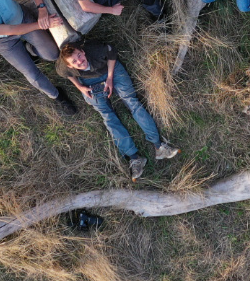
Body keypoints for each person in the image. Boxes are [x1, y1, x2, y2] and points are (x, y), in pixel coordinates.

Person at [57, 40, 179, 180]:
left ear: (83, 51)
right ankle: (134, 158)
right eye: (74, 61)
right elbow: (66, 74)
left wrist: (109, 78)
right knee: (107, 115)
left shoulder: (95, 50)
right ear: (69, 65)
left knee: (132, 102)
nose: (80, 61)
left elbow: (111, 51)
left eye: (79, 55)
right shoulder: (63, 67)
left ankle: (159, 146)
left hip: (111, 71)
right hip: (90, 83)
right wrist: (80, 87)